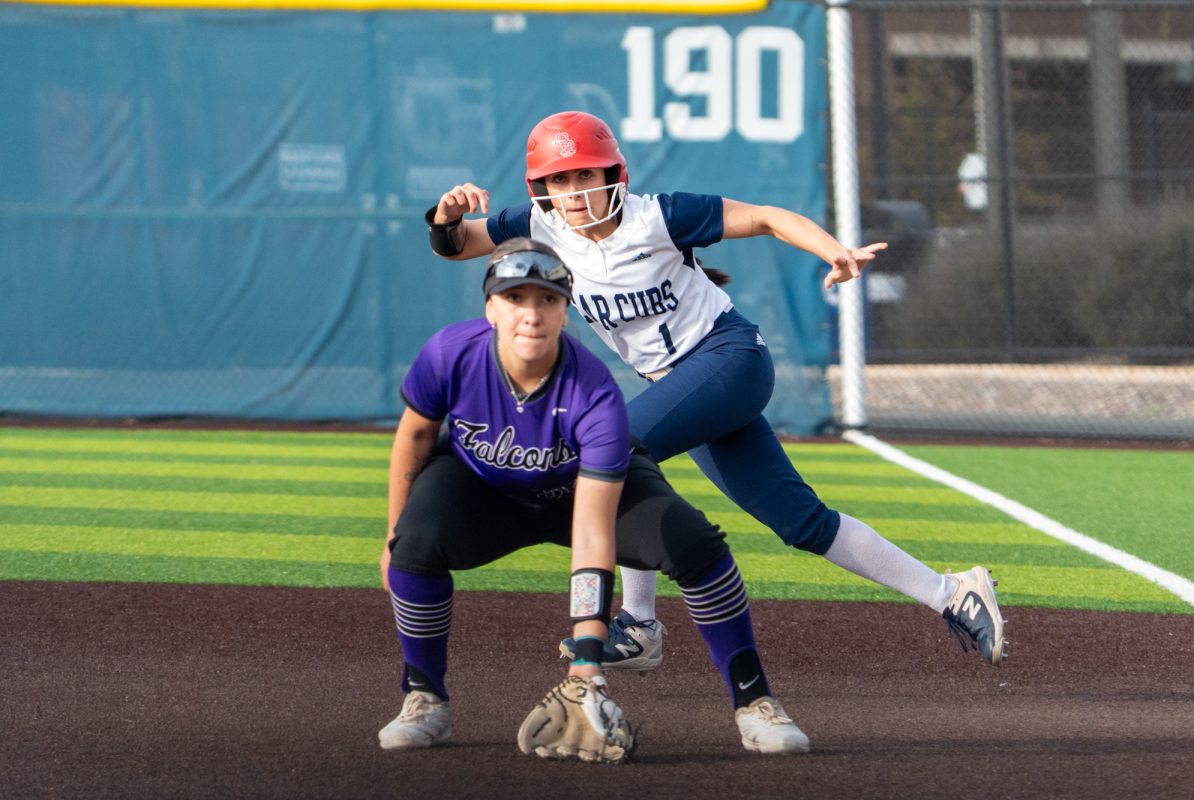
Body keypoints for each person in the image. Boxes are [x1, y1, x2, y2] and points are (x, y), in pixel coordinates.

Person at [423, 111, 1007, 672]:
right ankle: (953, 592)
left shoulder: (658, 217)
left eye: (584, 175)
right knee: (801, 523)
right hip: (684, 384)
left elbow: (766, 217)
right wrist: (444, 217)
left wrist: (833, 251)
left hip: (730, 360)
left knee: (611, 452)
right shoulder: (539, 224)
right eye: (558, 179)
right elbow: (455, 245)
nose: (573, 190)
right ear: (540, 188)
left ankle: (639, 624)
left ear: (612, 178)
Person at [378, 237, 810, 758]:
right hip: (484, 489)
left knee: (696, 545)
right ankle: (424, 698)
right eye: (515, 299)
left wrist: (587, 659)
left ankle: (754, 702)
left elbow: (591, 529)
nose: (531, 315)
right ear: (490, 308)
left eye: (547, 299)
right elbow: (417, 437)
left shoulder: (593, 393)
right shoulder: (450, 354)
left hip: (580, 496)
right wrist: (392, 536)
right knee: (414, 543)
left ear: (567, 310)